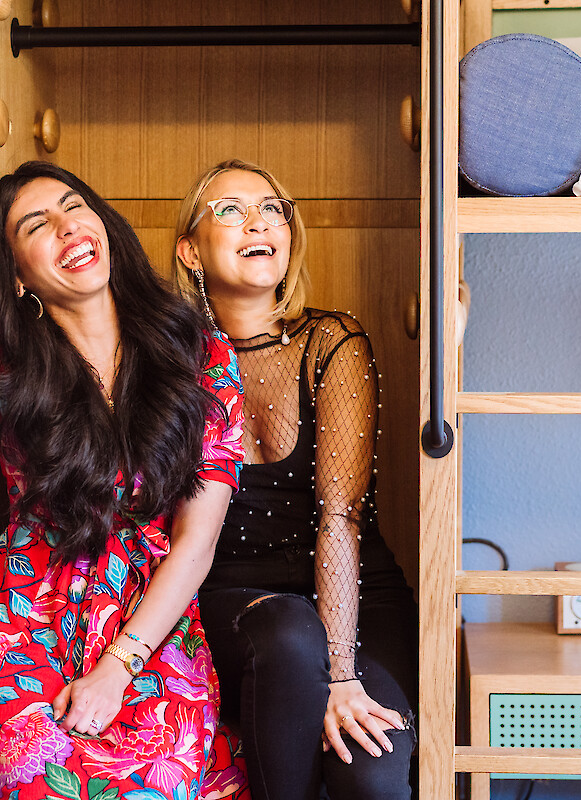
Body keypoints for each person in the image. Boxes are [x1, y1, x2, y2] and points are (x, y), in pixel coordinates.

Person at [0, 4, 249, 798]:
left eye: (74, 208)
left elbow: (195, 541)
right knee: (34, 777)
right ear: (16, 274)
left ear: (107, 227)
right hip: (25, 620)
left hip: (149, 629)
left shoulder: (199, 351)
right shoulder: (8, 364)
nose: (66, 229)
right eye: (35, 227)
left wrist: (120, 668)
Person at [174, 159, 419, 799]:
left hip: (355, 599)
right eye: (230, 209)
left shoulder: (332, 341)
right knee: (287, 632)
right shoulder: (170, 363)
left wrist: (341, 675)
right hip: (234, 605)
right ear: (190, 251)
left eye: (273, 208)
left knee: (373, 768)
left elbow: (340, 516)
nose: (259, 221)